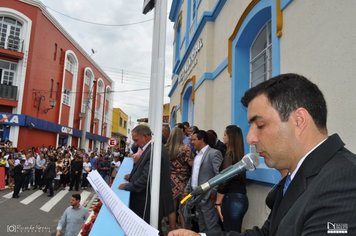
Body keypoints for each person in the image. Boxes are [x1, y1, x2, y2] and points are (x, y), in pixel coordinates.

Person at [168, 73, 356, 236]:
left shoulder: (344, 181)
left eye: (260, 125)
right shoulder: (295, 175)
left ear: (299, 120)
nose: (250, 138)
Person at [118, 124, 174, 232]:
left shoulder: (154, 150)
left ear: (146, 137)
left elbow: (146, 178)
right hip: (148, 199)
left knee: (147, 230)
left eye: (136, 140)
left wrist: (128, 186)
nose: (135, 143)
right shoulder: (151, 147)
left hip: (146, 202)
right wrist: (132, 176)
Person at [184, 130, 223, 232]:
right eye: (191, 140)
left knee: (211, 226)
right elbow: (194, 175)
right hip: (196, 196)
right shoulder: (197, 155)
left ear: (202, 140)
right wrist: (187, 189)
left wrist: (213, 192)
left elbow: (220, 175)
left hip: (208, 197)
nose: (191, 142)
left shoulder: (214, 153)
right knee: (202, 226)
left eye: (194, 139)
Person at [215, 125, 248, 232]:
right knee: (235, 231)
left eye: (225, 134)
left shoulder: (229, 157)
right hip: (241, 199)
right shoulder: (240, 157)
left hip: (231, 200)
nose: (223, 137)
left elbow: (224, 180)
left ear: (231, 138)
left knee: (229, 232)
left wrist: (218, 202)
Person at [165, 127, 194, 228]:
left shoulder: (166, 148)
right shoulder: (186, 149)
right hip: (183, 182)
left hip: (170, 181)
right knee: (183, 207)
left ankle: (172, 229)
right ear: (181, 136)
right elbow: (191, 164)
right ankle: (184, 230)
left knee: (171, 208)